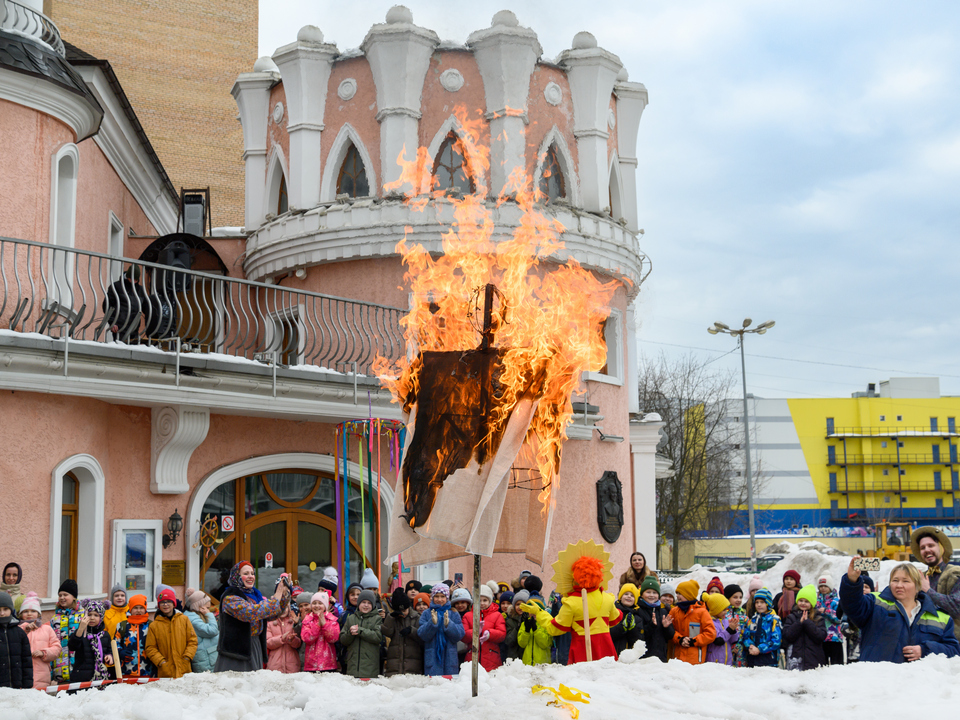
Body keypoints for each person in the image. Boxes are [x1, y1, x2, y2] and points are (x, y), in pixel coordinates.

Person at [839, 557, 959, 663]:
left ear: (917, 587)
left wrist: (925, 650)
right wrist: (851, 581)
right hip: (877, 682)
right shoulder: (874, 603)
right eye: (895, 580)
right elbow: (851, 605)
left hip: (919, 684)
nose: (899, 585)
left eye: (905, 581)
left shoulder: (940, 617)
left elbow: (953, 650)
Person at [214, 562, 288, 672]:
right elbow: (250, 613)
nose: (250, 576)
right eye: (246, 573)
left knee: (253, 685)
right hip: (236, 651)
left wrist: (283, 595)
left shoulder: (255, 596)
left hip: (254, 645)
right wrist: (275, 600)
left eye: (252, 573)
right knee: (236, 685)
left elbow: (271, 614)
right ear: (236, 576)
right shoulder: (230, 597)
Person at [911, 526, 960, 643]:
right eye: (922, 548)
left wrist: (928, 590)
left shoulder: (955, 573)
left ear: (941, 548)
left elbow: (957, 607)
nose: (926, 550)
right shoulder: (919, 578)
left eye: (931, 545)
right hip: (925, 644)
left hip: (953, 645)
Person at [145, 588, 197, 679]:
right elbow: (150, 648)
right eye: (162, 602)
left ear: (173, 604)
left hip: (184, 670)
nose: (165, 605)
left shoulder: (184, 620)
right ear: (159, 605)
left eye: (168, 601)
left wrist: (187, 658)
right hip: (165, 672)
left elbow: (192, 641)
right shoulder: (154, 625)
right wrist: (162, 662)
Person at [418, 585, 464, 676]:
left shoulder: (453, 613)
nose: (439, 599)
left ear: (447, 598)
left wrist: (449, 625)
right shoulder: (427, 613)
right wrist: (432, 623)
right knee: (433, 686)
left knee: (450, 686)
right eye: (437, 596)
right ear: (432, 597)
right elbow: (422, 635)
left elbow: (459, 635)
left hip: (449, 659)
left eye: (442, 596)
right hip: (432, 659)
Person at [667, 580, 717, 665]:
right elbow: (671, 630)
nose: (677, 596)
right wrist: (680, 639)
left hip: (695, 660)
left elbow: (710, 633)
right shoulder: (674, 611)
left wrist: (693, 641)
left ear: (688, 595)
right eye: (677, 593)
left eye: (680, 593)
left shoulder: (702, 612)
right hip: (677, 657)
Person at [18, 592, 59, 689]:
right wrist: (25, 629)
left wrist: (43, 652)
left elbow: (57, 648)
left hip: (42, 677)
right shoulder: (18, 629)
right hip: (22, 676)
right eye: (25, 611)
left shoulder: (47, 629)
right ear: (20, 614)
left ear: (38, 614)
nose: (29, 614)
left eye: (33, 611)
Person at [340, 589, 383, 678]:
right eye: (363, 602)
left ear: (373, 605)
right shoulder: (351, 618)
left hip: (369, 667)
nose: (366, 605)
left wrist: (360, 631)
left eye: (369, 603)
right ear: (359, 603)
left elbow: (378, 637)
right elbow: (343, 639)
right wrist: (350, 633)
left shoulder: (377, 619)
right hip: (352, 667)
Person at [68, 599, 115, 682]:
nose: (92, 618)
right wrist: (81, 629)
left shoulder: (105, 635)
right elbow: (72, 646)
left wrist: (109, 656)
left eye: (96, 615)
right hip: (81, 677)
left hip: (100, 677)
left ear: (101, 617)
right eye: (89, 615)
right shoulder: (80, 632)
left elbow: (109, 650)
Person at [463, 584, 506, 672]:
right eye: (479, 600)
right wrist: (475, 632)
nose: (482, 603)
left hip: (492, 659)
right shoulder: (468, 616)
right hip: (472, 658)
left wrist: (490, 634)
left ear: (490, 601)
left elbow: (502, 634)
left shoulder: (497, 615)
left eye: (485, 600)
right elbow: (463, 636)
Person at [782, 585, 826, 671]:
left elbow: (820, 636)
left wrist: (807, 623)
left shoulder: (818, 618)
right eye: (801, 600)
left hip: (814, 660)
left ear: (812, 603)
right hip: (795, 660)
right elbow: (787, 636)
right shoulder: (792, 617)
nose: (803, 603)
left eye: (806, 601)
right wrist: (799, 623)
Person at [382, 587, 423, 676]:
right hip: (394, 667)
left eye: (404, 610)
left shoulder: (417, 617)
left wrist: (411, 630)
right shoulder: (392, 618)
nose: (403, 613)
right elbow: (387, 632)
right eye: (400, 611)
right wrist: (391, 617)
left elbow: (422, 637)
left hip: (413, 667)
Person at [103, 266, 149, 342]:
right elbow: (107, 306)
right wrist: (112, 322)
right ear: (127, 276)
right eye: (131, 279)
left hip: (134, 329)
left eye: (136, 280)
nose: (133, 282)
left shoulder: (141, 290)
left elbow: (147, 308)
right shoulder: (116, 287)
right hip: (119, 328)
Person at [114, 594, 155, 679]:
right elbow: (115, 644)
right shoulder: (122, 626)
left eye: (141, 608)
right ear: (130, 609)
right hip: (127, 672)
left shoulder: (151, 625)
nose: (138, 611)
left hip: (148, 672)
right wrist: (120, 652)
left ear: (145, 609)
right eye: (135, 608)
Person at [49, 578, 81, 682]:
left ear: (74, 597)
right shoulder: (54, 619)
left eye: (65, 595)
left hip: (78, 665)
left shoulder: (82, 616)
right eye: (60, 595)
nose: (62, 598)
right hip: (59, 667)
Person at [633, 576, 671, 663]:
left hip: (661, 657)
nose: (651, 595)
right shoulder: (637, 611)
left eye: (654, 592)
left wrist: (666, 627)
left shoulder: (663, 611)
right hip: (644, 659)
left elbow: (670, 636)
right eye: (648, 592)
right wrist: (651, 626)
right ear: (642, 594)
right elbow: (638, 636)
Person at [0, 591, 32, 689]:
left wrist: (27, 685)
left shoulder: (19, 633)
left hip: (17, 687)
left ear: (11, 610)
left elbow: (26, 661)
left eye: (5, 609)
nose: (2, 613)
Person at [302, 591, 339, 673]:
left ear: (325, 606)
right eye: (314, 603)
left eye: (320, 603)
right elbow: (307, 638)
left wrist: (325, 625)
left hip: (328, 664)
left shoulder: (332, 619)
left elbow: (334, 638)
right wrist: (318, 625)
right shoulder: (307, 620)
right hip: (311, 664)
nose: (317, 606)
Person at [743, 588, 781, 667]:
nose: (759, 605)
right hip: (753, 659)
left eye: (762, 602)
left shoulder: (774, 620)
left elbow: (776, 641)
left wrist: (759, 649)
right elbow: (746, 636)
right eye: (757, 602)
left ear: (768, 603)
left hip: (769, 660)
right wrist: (750, 646)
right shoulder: (753, 619)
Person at [183, 590, 219, 673]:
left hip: (210, 657)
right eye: (207, 608)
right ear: (199, 606)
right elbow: (212, 631)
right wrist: (209, 615)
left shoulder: (197, 616)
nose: (208, 610)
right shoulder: (193, 619)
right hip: (205, 659)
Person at [266, 601, 301, 673]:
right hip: (274, 663)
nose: (283, 610)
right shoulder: (270, 624)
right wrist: (281, 639)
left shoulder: (293, 622)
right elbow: (268, 643)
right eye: (280, 607)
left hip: (292, 663)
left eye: (285, 607)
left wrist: (292, 640)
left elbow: (298, 643)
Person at [815, 576, 843, 666]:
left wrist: (826, 611)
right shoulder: (816, 601)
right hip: (821, 638)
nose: (823, 588)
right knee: (822, 665)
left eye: (825, 586)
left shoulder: (836, 601)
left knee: (837, 665)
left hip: (835, 638)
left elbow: (839, 618)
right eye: (821, 586)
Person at [703, 593, 737, 665]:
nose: (726, 612)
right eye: (723, 610)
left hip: (727, 662)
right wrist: (729, 630)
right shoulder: (710, 623)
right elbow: (718, 641)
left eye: (726, 609)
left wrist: (733, 629)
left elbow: (734, 640)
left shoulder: (725, 621)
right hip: (715, 662)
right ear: (716, 610)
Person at [610, 583, 643, 655]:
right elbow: (609, 634)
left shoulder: (637, 618)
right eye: (626, 594)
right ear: (620, 597)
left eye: (632, 595)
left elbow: (637, 641)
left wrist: (632, 628)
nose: (629, 596)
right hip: (612, 653)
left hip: (628, 657)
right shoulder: (613, 612)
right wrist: (622, 627)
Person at [517, 596, 551, 665]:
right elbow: (521, 644)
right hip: (527, 664)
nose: (533, 613)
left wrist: (536, 629)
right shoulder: (524, 624)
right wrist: (526, 631)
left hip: (542, 664)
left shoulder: (546, 623)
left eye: (536, 610)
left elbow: (545, 644)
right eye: (530, 610)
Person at [724, 584, 749, 667]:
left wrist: (743, 644)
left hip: (741, 653)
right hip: (727, 651)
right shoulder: (723, 614)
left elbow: (747, 633)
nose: (738, 600)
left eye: (740, 597)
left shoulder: (743, 614)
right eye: (735, 597)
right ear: (727, 598)